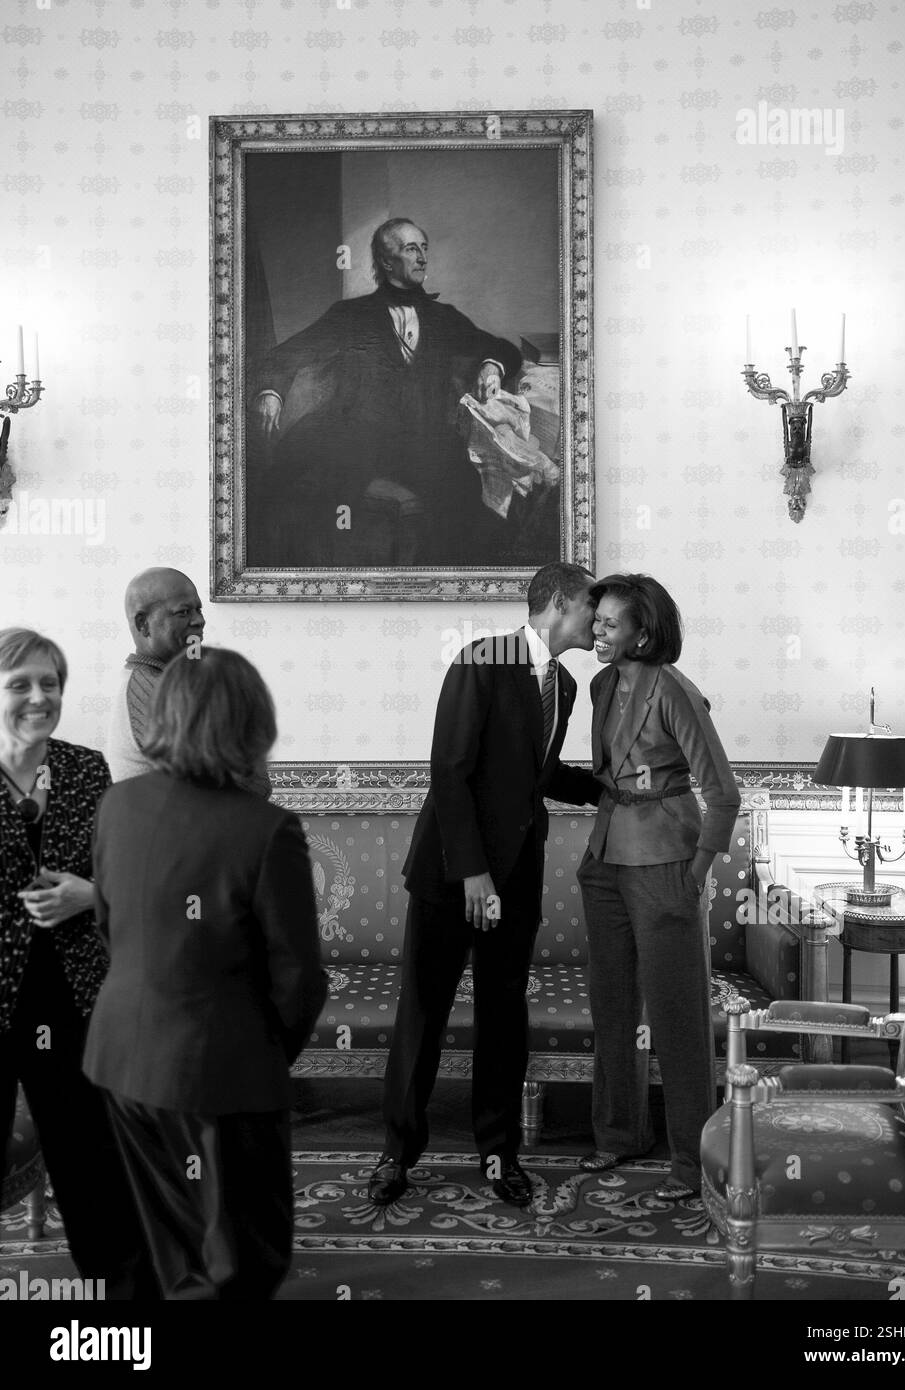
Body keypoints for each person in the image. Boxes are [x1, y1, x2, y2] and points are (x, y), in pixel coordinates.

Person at [83, 648, 327, 1301]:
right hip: (220, 1074)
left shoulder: (118, 805)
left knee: (148, 1251)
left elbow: (111, 930)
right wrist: (268, 1051)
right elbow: (299, 977)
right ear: (250, 721)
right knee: (232, 1262)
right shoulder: (266, 828)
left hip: (120, 1059)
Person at [368, 561, 602, 1209]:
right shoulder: (481, 659)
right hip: (450, 874)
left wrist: (607, 788)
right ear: (558, 603)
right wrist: (472, 873)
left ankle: (499, 1154)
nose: (597, 620)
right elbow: (450, 770)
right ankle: (397, 1153)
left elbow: (538, 773)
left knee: (505, 1016)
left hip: (517, 877)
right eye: (590, 607)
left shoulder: (566, 686)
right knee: (423, 1011)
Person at [0, 627, 155, 1298]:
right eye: (20, 686)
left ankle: (123, 1303)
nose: (39, 698)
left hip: (73, 998)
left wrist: (92, 895)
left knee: (91, 1160)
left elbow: (134, 879)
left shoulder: (88, 769)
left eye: (50, 684)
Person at [576, 574, 741, 1195]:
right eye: (597, 622)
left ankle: (691, 1162)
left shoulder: (675, 690)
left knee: (678, 1017)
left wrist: (695, 875)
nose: (598, 631)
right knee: (612, 1006)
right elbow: (605, 775)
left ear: (643, 634)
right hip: (604, 861)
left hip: (667, 863)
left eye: (610, 624)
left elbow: (723, 794)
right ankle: (618, 1137)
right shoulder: (598, 684)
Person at [250, 217, 523, 565]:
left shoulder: (443, 317)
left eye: (424, 248)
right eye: (412, 249)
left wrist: (491, 365)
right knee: (296, 492)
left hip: (423, 440)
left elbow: (503, 349)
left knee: (464, 500)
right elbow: (288, 353)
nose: (423, 257)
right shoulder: (351, 314)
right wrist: (271, 392)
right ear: (386, 260)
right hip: (355, 436)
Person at [106, 567, 271, 796]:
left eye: (199, 610)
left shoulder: (172, 684)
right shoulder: (151, 690)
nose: (199, 621)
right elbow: (249, 787)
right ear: (143, 624)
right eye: (183, 613)